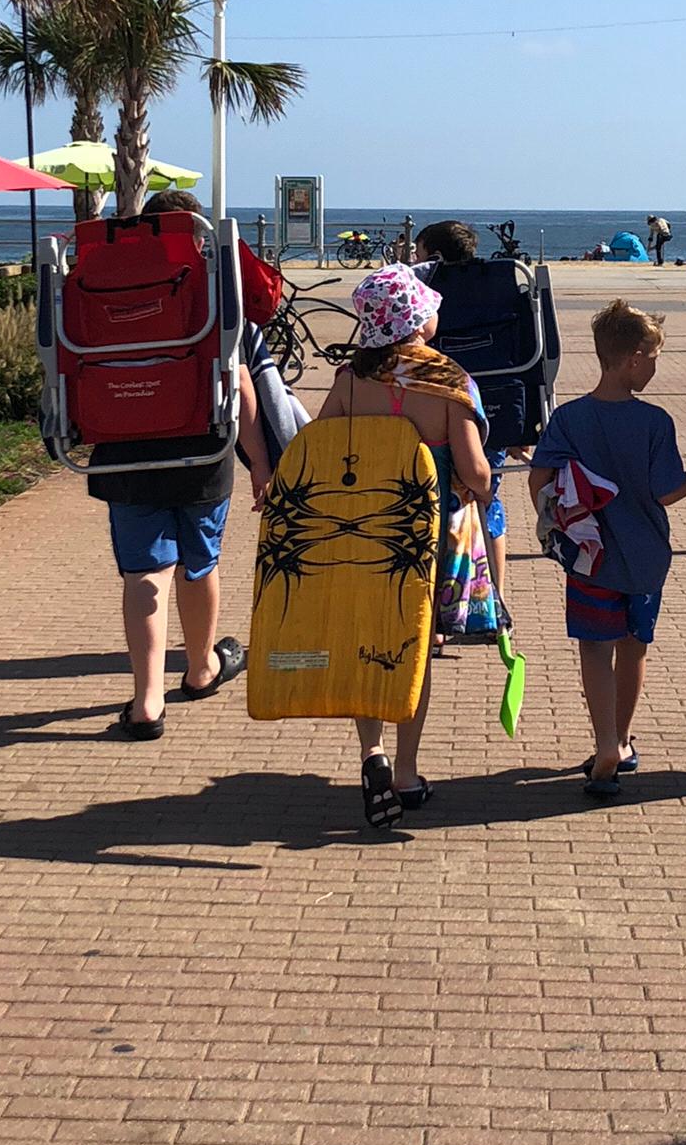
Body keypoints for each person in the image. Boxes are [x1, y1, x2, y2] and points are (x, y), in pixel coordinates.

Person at [86, 190, 271, 740]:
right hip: (201, 444)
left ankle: (146, 702)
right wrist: (259, 462)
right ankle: (200, 669)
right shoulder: (210, 282)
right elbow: (241, 382)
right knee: (199, 562)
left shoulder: (101, 279)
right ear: (195, 232)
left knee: (144, 571)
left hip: (122, 444)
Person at [316, 264, 494, 827]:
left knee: (367, 640)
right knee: (414, 646)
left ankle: (372, 751)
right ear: (419, 320)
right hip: (427, 535)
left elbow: (320, 447)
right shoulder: (447, 380)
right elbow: (476, 471)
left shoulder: (351, 379)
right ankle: (408, 772)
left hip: (363, 531)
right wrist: (479, 489)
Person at [530, 301, 686, 799]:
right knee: (632, 649)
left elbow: (540, 479)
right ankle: (623, 738)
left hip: (589, 560)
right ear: (634, 359)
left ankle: (605, 743)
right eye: (654, 358)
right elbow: (667, 492)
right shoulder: (654, 422)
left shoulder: (569, 418)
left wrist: (559, 525)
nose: (656, 367)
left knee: (595, 649)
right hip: (646, 558)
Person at [413, 218, 528, 620]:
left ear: (434, 255)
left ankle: (438, 607)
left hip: (435, 411)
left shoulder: (427, 291)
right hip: (497, 407)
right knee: (487, 500)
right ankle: (495, 599)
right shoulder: (496, 285)